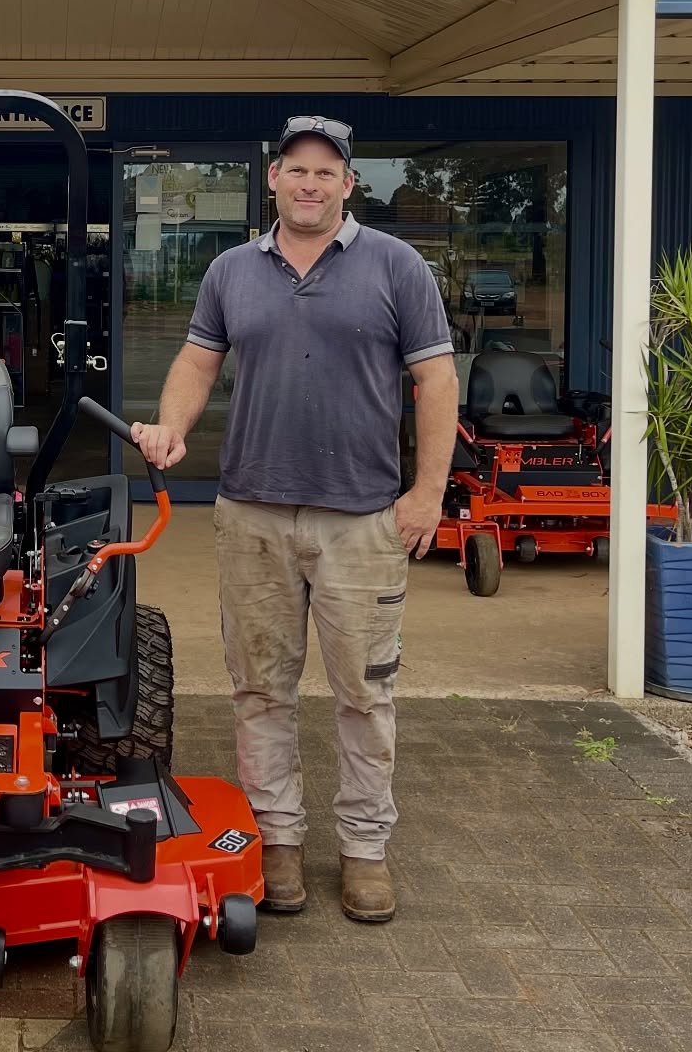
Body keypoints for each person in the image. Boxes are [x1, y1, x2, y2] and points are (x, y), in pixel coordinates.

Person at [131, 115, 458, 924]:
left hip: (362, 521)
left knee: (364, 695)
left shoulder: (396, 265)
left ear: (348, 184)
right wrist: (172, 424)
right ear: (272, 178)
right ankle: (276, 837)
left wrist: (427, 494)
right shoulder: (232, 271)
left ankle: (364, 850)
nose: (310, 184)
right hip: (254, 515)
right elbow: (197, 362)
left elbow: (438, 381)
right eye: (296, 170)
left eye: (326, 172)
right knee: (260, 691)